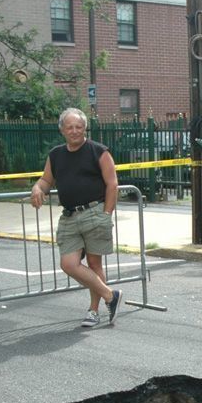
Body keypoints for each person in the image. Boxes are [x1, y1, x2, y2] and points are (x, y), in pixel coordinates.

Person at [29, 107, 122, 328]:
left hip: (95, 213)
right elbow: (46, 180)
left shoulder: (99, 151)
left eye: (79, 127)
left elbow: (112, 184)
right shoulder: (56, 155)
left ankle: (94, 310)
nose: (74, 131)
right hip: (69, 216)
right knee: (68, 264)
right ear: (62, 130)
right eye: (69, 127)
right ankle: (111, 296)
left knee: (93, 263)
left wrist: (106, 214)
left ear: (85, 128)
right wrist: (37, 188)